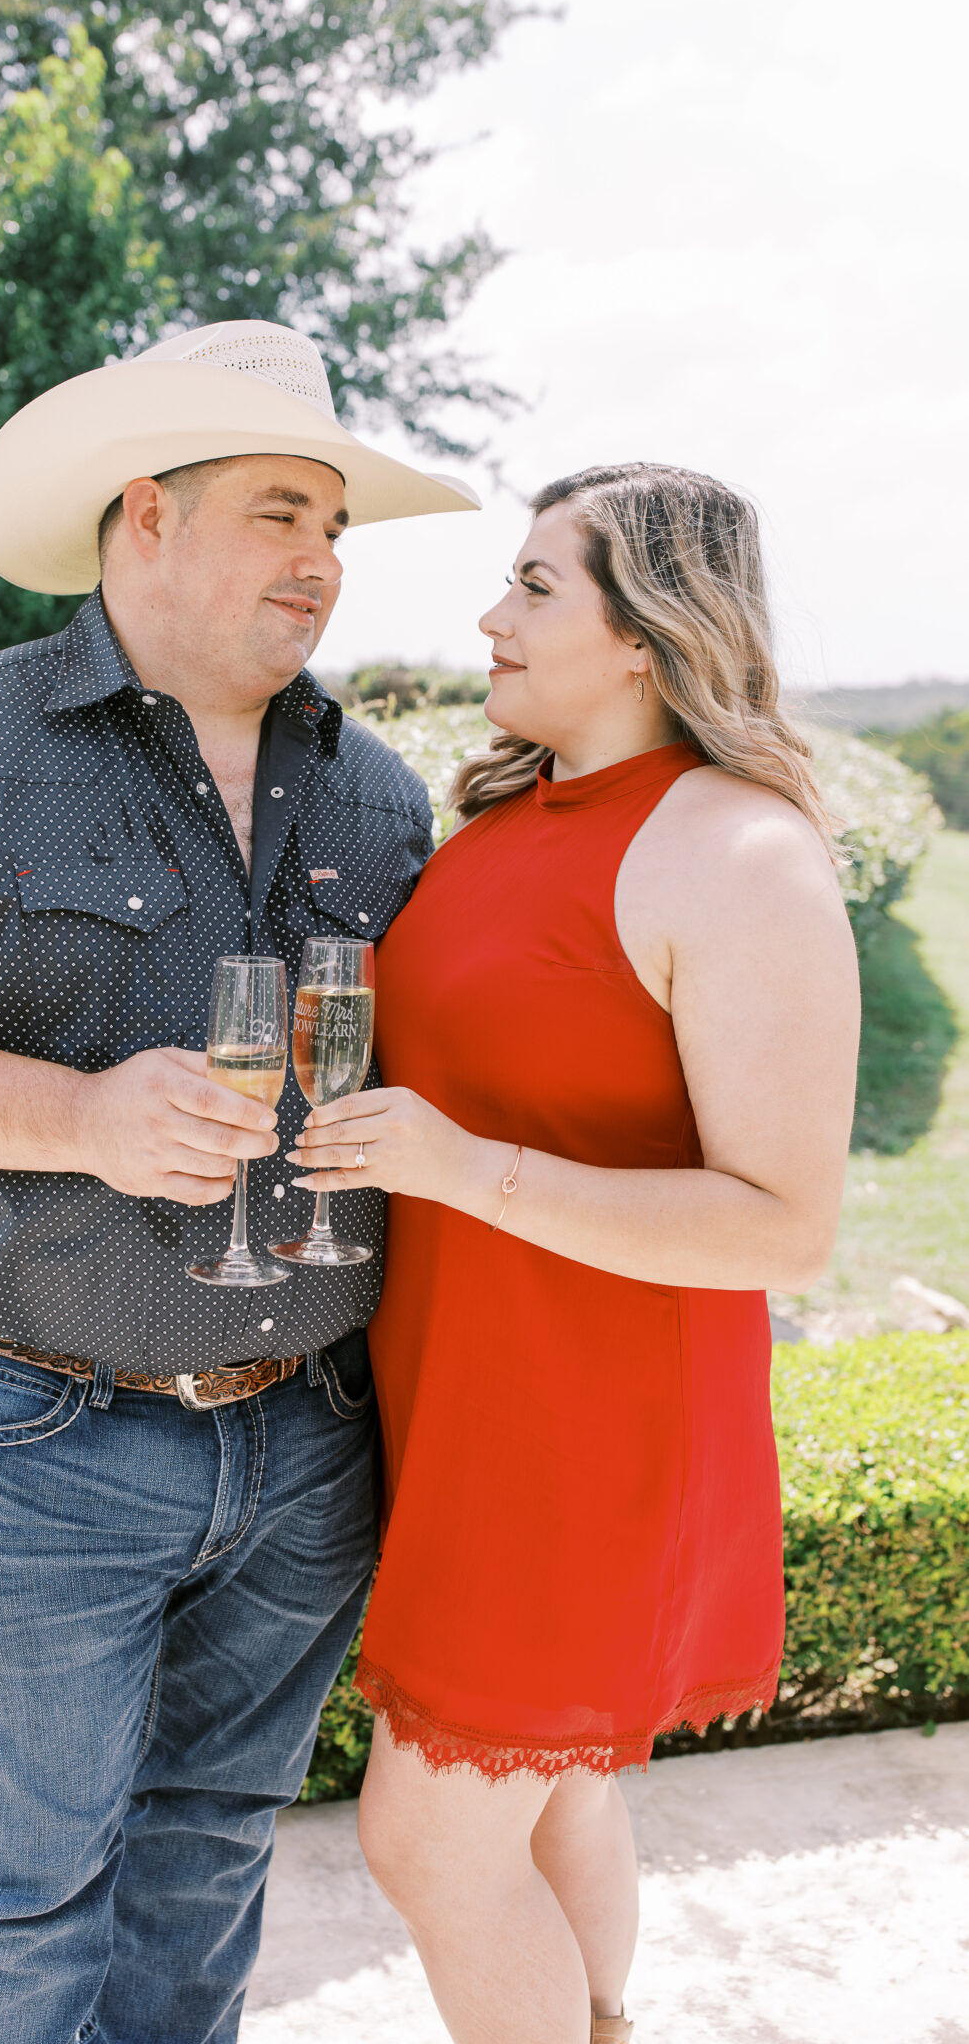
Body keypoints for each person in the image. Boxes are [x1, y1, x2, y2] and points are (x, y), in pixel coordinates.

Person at [0, 319, 478, 2044]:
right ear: (147, 515)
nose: (323, 562)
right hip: (46, 1442)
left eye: (338, 530)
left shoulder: (375, 788)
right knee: (12, 1914)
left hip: (309, 1440)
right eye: (284, 513)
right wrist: (79, 1118)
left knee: (207, 1867)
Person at [289, 463, 861, 2044]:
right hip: (466, 1404)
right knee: (552, 1808)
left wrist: (466, 1170)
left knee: (428, 1836)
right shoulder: (499, 817)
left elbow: (785, 1224)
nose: (490, 615)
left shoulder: (739, 855)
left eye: (537, 585)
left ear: (646, 630)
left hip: (593, 1435)